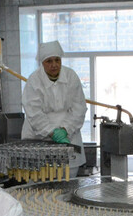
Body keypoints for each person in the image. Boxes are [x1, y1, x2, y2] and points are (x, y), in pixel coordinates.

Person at [20, 40, 87, 178]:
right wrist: (50, 132)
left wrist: (65, 130)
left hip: (69, 136)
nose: (54, 65)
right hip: (38, 136)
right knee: (39, 181)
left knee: (67, 179)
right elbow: (33, 112)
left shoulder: (71, 76)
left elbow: (79, 108)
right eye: (49, 61)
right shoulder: (34, 80)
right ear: (42, 63)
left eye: (57, 60)